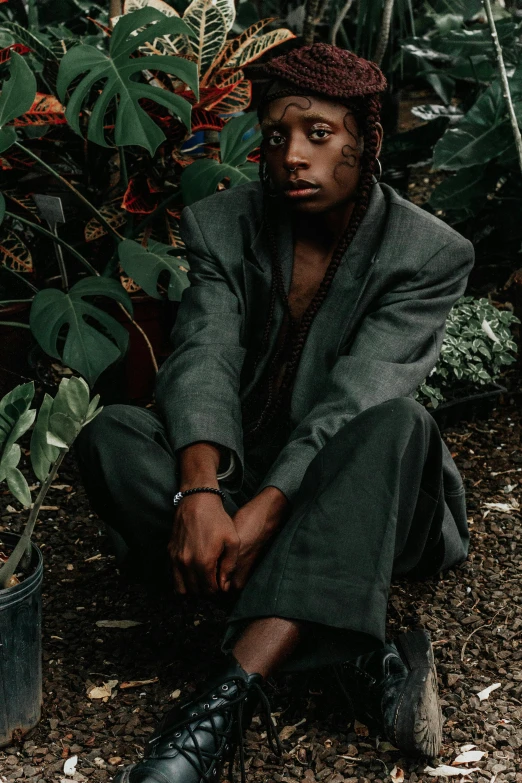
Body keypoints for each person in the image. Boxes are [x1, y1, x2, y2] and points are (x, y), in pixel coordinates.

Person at [76, 43, 475, 783]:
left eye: (318, 134)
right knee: (113, 437)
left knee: (399, 424)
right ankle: (350, 652)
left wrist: (260, 514)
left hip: (364, 492)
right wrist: (200, 493)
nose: (292, 156)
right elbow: (205, 354)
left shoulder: (427, 254)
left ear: (366, 139)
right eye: (275, 137)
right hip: (243, 472)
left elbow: (354, 399)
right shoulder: (222, 224)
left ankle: (220, 703)